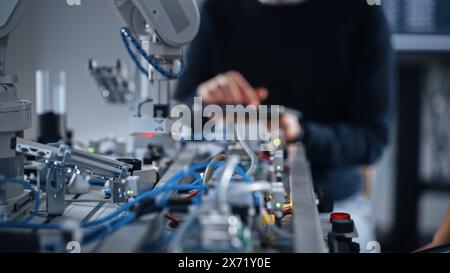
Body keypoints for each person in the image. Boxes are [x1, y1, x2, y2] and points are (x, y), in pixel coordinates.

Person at [175, 0, 395, 251]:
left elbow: (372, 139)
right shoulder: (218, 9)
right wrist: (203, 100)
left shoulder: (360, 11)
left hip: (335, 203)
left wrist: (301, 134)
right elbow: (181, 114)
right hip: (223, 195)